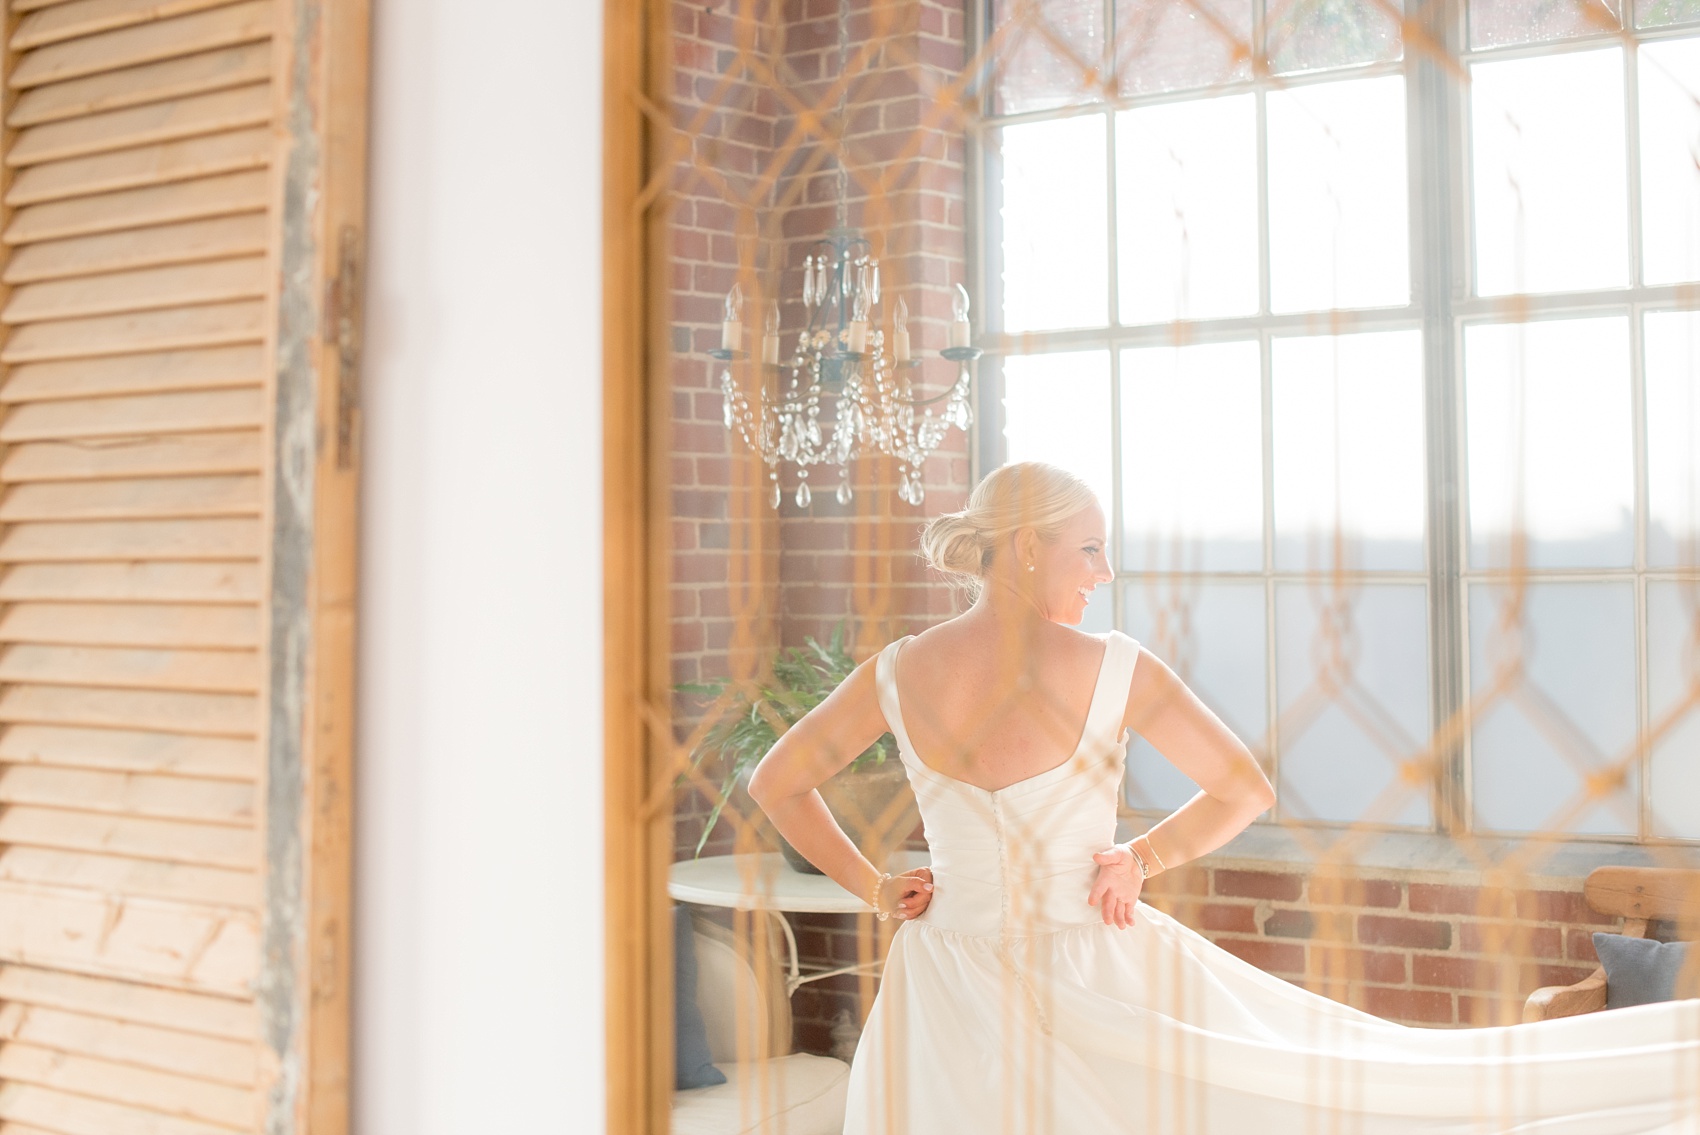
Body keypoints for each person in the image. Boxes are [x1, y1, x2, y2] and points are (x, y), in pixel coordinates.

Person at [748, 461, 1698, 1134]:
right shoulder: (1116, 665)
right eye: (1089, 549)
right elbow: (1244, 787)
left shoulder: (900, 669)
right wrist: (1141, 859)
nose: (1103, 573)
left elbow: (775, 782)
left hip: (943, 975)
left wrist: (876, 887)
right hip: (1090, 962)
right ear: (1029, 548)